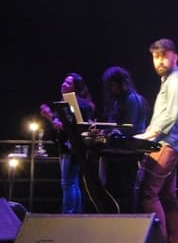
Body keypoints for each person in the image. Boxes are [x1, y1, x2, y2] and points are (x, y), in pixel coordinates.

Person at [134, 39, 178, 243]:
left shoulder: (176, 81)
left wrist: (149, 135)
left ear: (174, 56)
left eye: (163, 56)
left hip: (167, 143)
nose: (159, 61)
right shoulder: (170, 80)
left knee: (149, 193)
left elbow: (171, 115)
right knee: (167, 195)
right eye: (155, 57)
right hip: (169, 143)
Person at [39, 72, 95, 214]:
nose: (64, 84)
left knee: (67, 183)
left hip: (71, 147)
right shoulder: (76, 103)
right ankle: (75, 214)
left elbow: (68, 126)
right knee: (73, 183)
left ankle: (68, 214)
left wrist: (49, 116)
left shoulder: (72, 103)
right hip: (75, 147)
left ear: (75, 88)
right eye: (64, 81)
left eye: (68, 83)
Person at [99, 66, 148, 213]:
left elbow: (129, 127)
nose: (110, 89)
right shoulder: (127, 99)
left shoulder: (131, 99)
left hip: (124, 154)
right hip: (122, 153)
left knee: (122, 190)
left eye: (113, 85)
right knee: (121, 190)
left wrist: (108, 133)